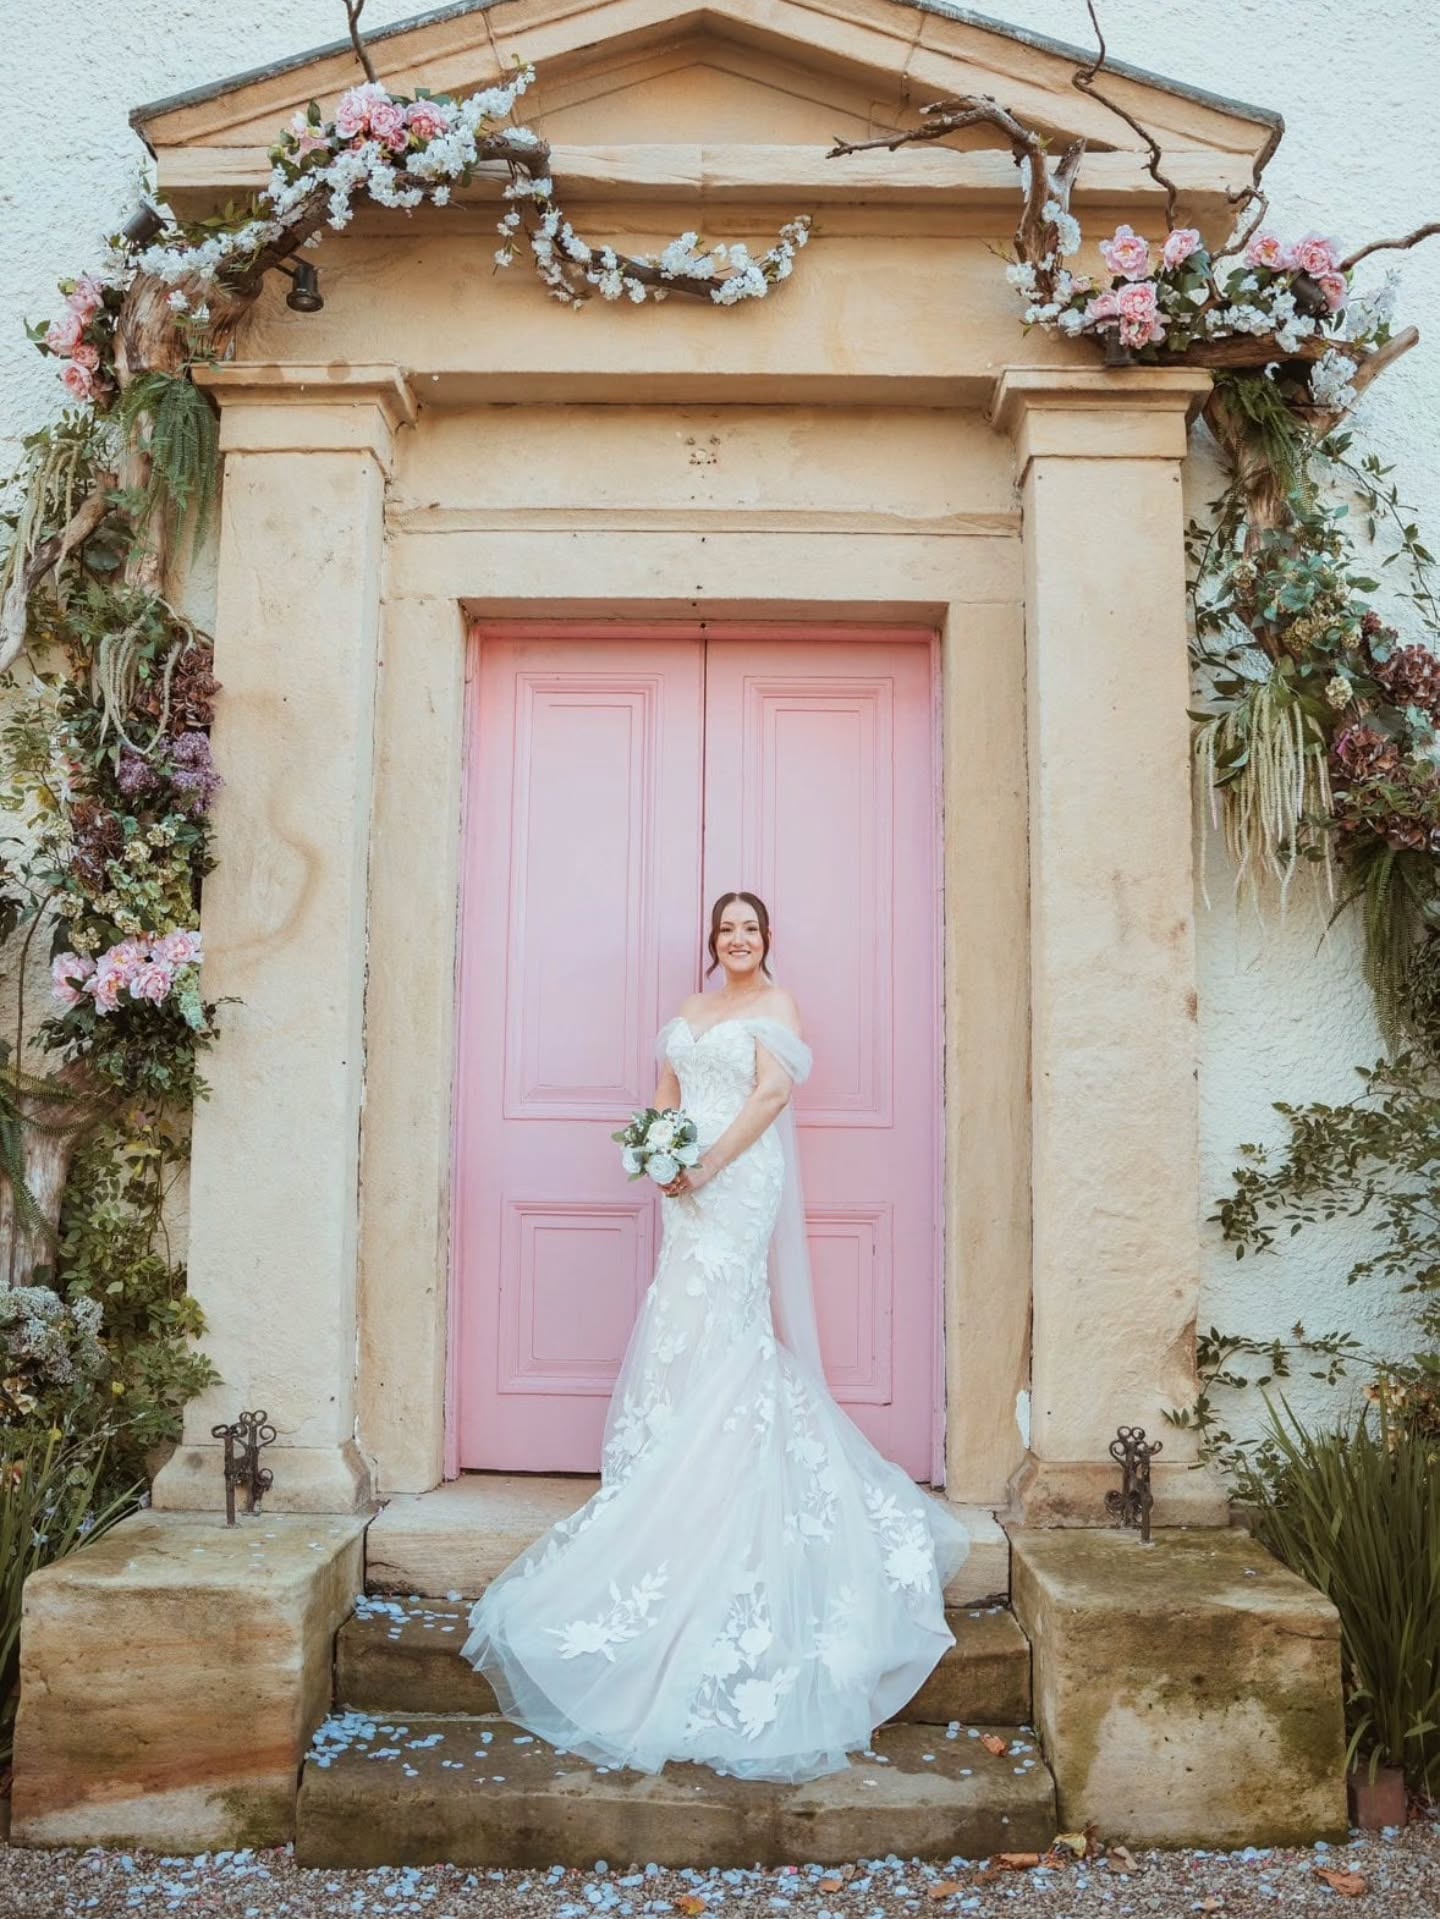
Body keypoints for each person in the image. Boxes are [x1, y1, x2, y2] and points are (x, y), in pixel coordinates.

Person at [459, 890, 969, 1783]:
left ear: (768, 939)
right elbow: (665, 1088)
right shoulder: (692, 1012)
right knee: (678, 1316)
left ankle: (729, 1475)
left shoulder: (776, 1007)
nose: (738, 940)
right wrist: (658, 1149)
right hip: (688, 1187)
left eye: (751, 929)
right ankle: (672, 1464)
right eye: (726, 929)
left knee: (726, 1314)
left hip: (736, 1180)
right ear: (713, 940)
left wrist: (709, 1162)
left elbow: (772, 1093)